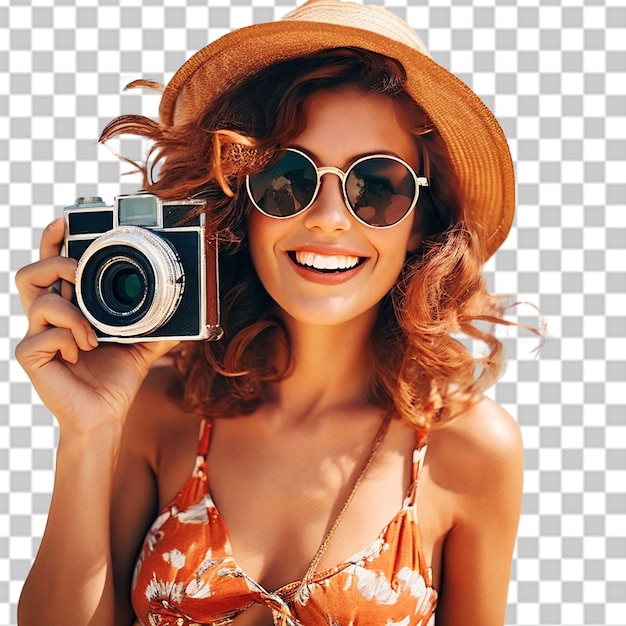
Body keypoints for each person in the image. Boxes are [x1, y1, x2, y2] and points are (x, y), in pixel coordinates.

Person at [15, 1, 526, 625]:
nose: (330, 217)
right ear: (241, 200)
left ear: (422, 223)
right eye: (289, 177)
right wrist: (87, 433)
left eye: (376, 185)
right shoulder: (158, 411)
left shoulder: (471, 450)